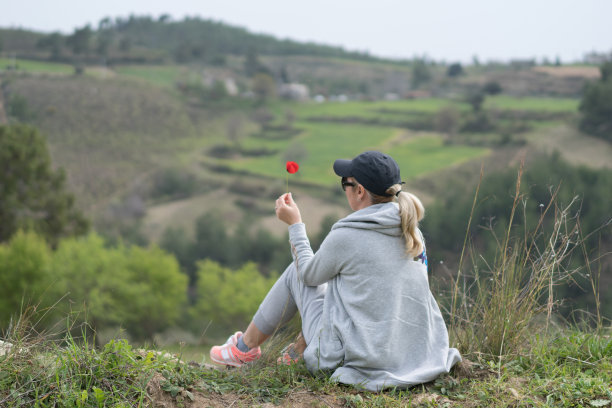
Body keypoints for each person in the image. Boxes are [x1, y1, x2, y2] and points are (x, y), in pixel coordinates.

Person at [209, 151, 461, 391]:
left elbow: (308, 274)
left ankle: (243, 350)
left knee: (296, 273)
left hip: (362, 358)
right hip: (413, 353)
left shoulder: (348, 234)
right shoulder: (412, 230)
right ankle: (297, 347)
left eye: (345, 183)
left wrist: (295, 225)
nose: (344, 189)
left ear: (360, 191)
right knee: (339, 284)